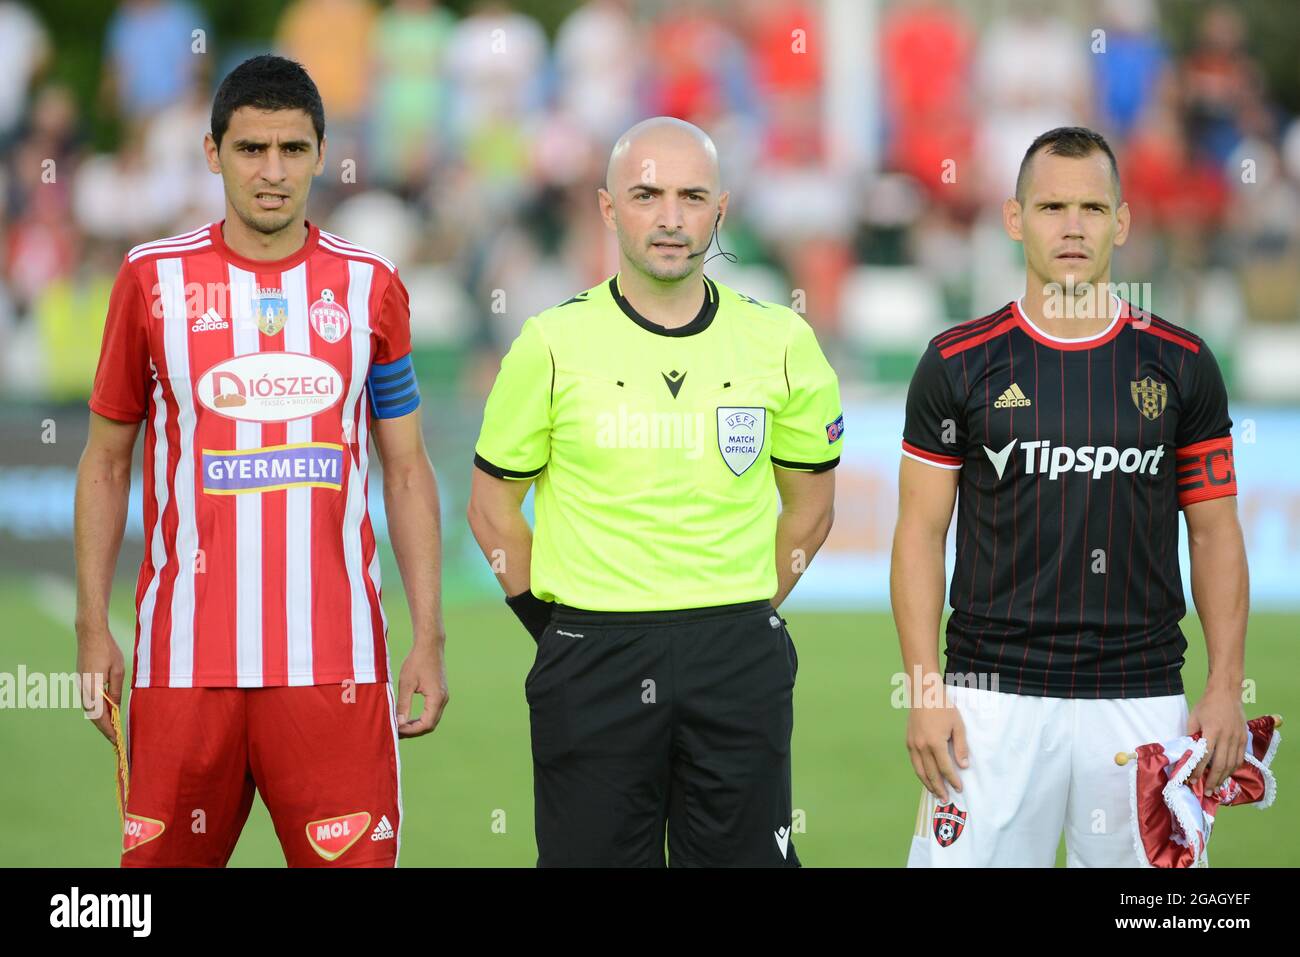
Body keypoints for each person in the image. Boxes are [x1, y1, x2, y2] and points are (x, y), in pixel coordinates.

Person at [74, 54, 448, 868]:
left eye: (291, 149)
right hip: (180, 665)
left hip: (335, 667)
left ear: (322, 152)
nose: (272, 172)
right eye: (250, 149)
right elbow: (105, 463)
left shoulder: (372, 285)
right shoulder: (151, 280)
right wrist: (90, 623)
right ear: (213, 153)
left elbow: (409, 469)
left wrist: (429, 636)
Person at [467, 117, 842, 867]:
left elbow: (811, 505)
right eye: (646, 195)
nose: (670, 217)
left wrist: (747, 611)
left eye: (691, 196)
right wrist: (556, 626)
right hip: (591, 653)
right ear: (609, 209)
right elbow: (491, 508)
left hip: (737, 653)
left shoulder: (781, 340)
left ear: (720, 209)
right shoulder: (549, 341)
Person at [893, 126, 1249, 867]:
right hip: (990, 701)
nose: (1074, 226)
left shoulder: (1182, 364)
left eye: (1092, 207)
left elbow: (1214, 532)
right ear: (1015, 219)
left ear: (1121, 221)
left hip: (1140, 699)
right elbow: (920, 535)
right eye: (1052, 206)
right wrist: (926, 689)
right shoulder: (957, 363)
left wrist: (1222, 686)